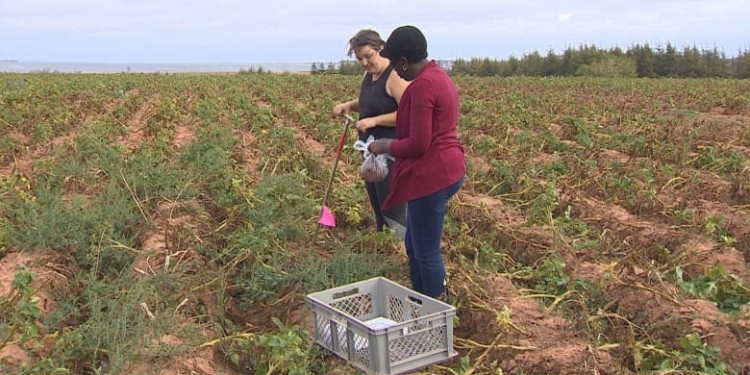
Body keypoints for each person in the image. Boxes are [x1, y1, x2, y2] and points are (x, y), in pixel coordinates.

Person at [368, 25, 466, 300]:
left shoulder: (423, 86)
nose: (395, 72)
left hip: (433, 176)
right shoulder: (438, 76)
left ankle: (436, 310)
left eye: (395, 64)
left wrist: (385, 145)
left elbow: (418, 143)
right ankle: (421, 301)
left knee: (425, 250)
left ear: (402, 61)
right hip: (445, 167)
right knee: (414, 243)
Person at [333, 30, 409, 238]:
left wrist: (374, 121)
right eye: (359, 59)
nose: (364, 62)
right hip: (372, 153)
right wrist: (349, 105)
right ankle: (383, 247)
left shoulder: (394, 76)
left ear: (381, 49)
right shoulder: (369, 75)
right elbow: (369, 103)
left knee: (392, 207)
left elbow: (408, 112)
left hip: (392, 153)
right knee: (377, 204)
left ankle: (402, 251)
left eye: (368, 56)